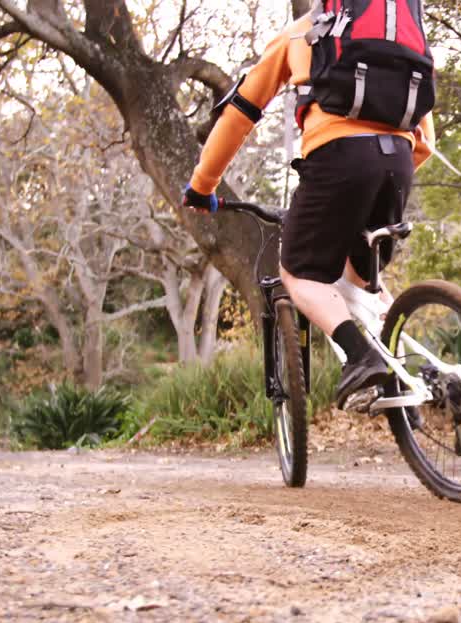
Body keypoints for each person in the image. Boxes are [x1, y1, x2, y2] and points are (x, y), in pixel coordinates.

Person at [181, 4, 435, 407]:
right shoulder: (400, 39)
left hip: (338, 158)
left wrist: (202, 185)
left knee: (299, 273)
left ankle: (359, 356)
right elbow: (426, 142)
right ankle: (420, 382)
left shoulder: (300, 33)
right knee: (364, 283)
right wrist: (381, 173)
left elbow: (239, 114)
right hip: (398, 165)